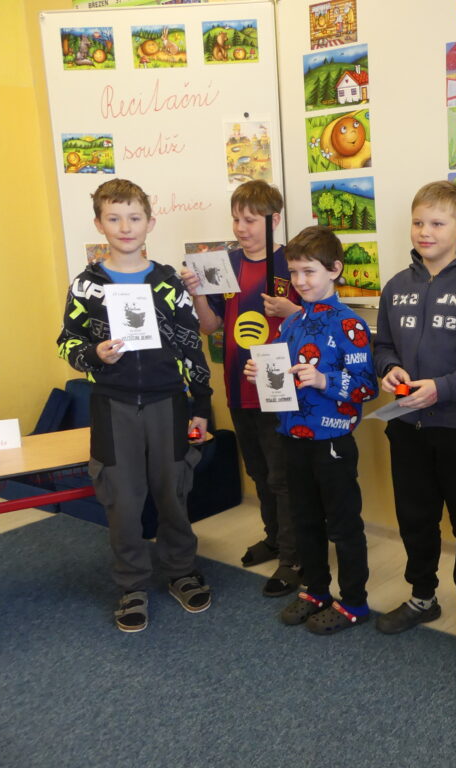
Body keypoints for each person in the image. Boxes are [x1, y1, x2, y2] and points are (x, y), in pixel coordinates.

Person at [56, 178, 213, 633]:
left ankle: (181, 570)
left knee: (173, 490)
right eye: (114, 218)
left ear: (150, 223)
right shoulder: (87, 285)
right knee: (122, 500)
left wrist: (201, 404)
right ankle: (131, 585)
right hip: (113, 405)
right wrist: (94, 354)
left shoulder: (167, 282)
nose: (125, 227)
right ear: (99, 224)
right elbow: (66, 342)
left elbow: (191, 345)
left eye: (134, 217)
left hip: (169, 403)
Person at [373, 180, 456, 659]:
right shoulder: (396, 287)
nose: (425, 231)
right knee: (416, 517)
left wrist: (443, 388)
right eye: (418, 222)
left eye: (437, 223)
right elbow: (382, 346)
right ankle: (422, 597)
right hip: (406, 426)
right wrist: (389, 369)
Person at [245, 226, 378, 635]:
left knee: (343, 525)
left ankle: (354, 601)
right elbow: (283, 378)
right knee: (304, 520)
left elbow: (366, 387)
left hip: (331, 441)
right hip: (291, 437)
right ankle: (316, 590)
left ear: (334, 269)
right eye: (294, 272)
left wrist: (323, 380)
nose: (300, 281)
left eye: (309, 271)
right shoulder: (291, 323)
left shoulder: (350, 324)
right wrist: (261, 374)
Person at [179, 181, 302, 598]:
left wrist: (292, 310)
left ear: (274, 220)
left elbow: (320, 319)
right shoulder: (226, 263)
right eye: (236, 219)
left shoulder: (292, 262)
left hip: (279, 385)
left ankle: (294, 557)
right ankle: (275, 538)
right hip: (236, 382)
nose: (241, 228)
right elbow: (210, 325)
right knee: (259, 472)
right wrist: (197, 294)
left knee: (283, 476)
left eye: (250, 220)